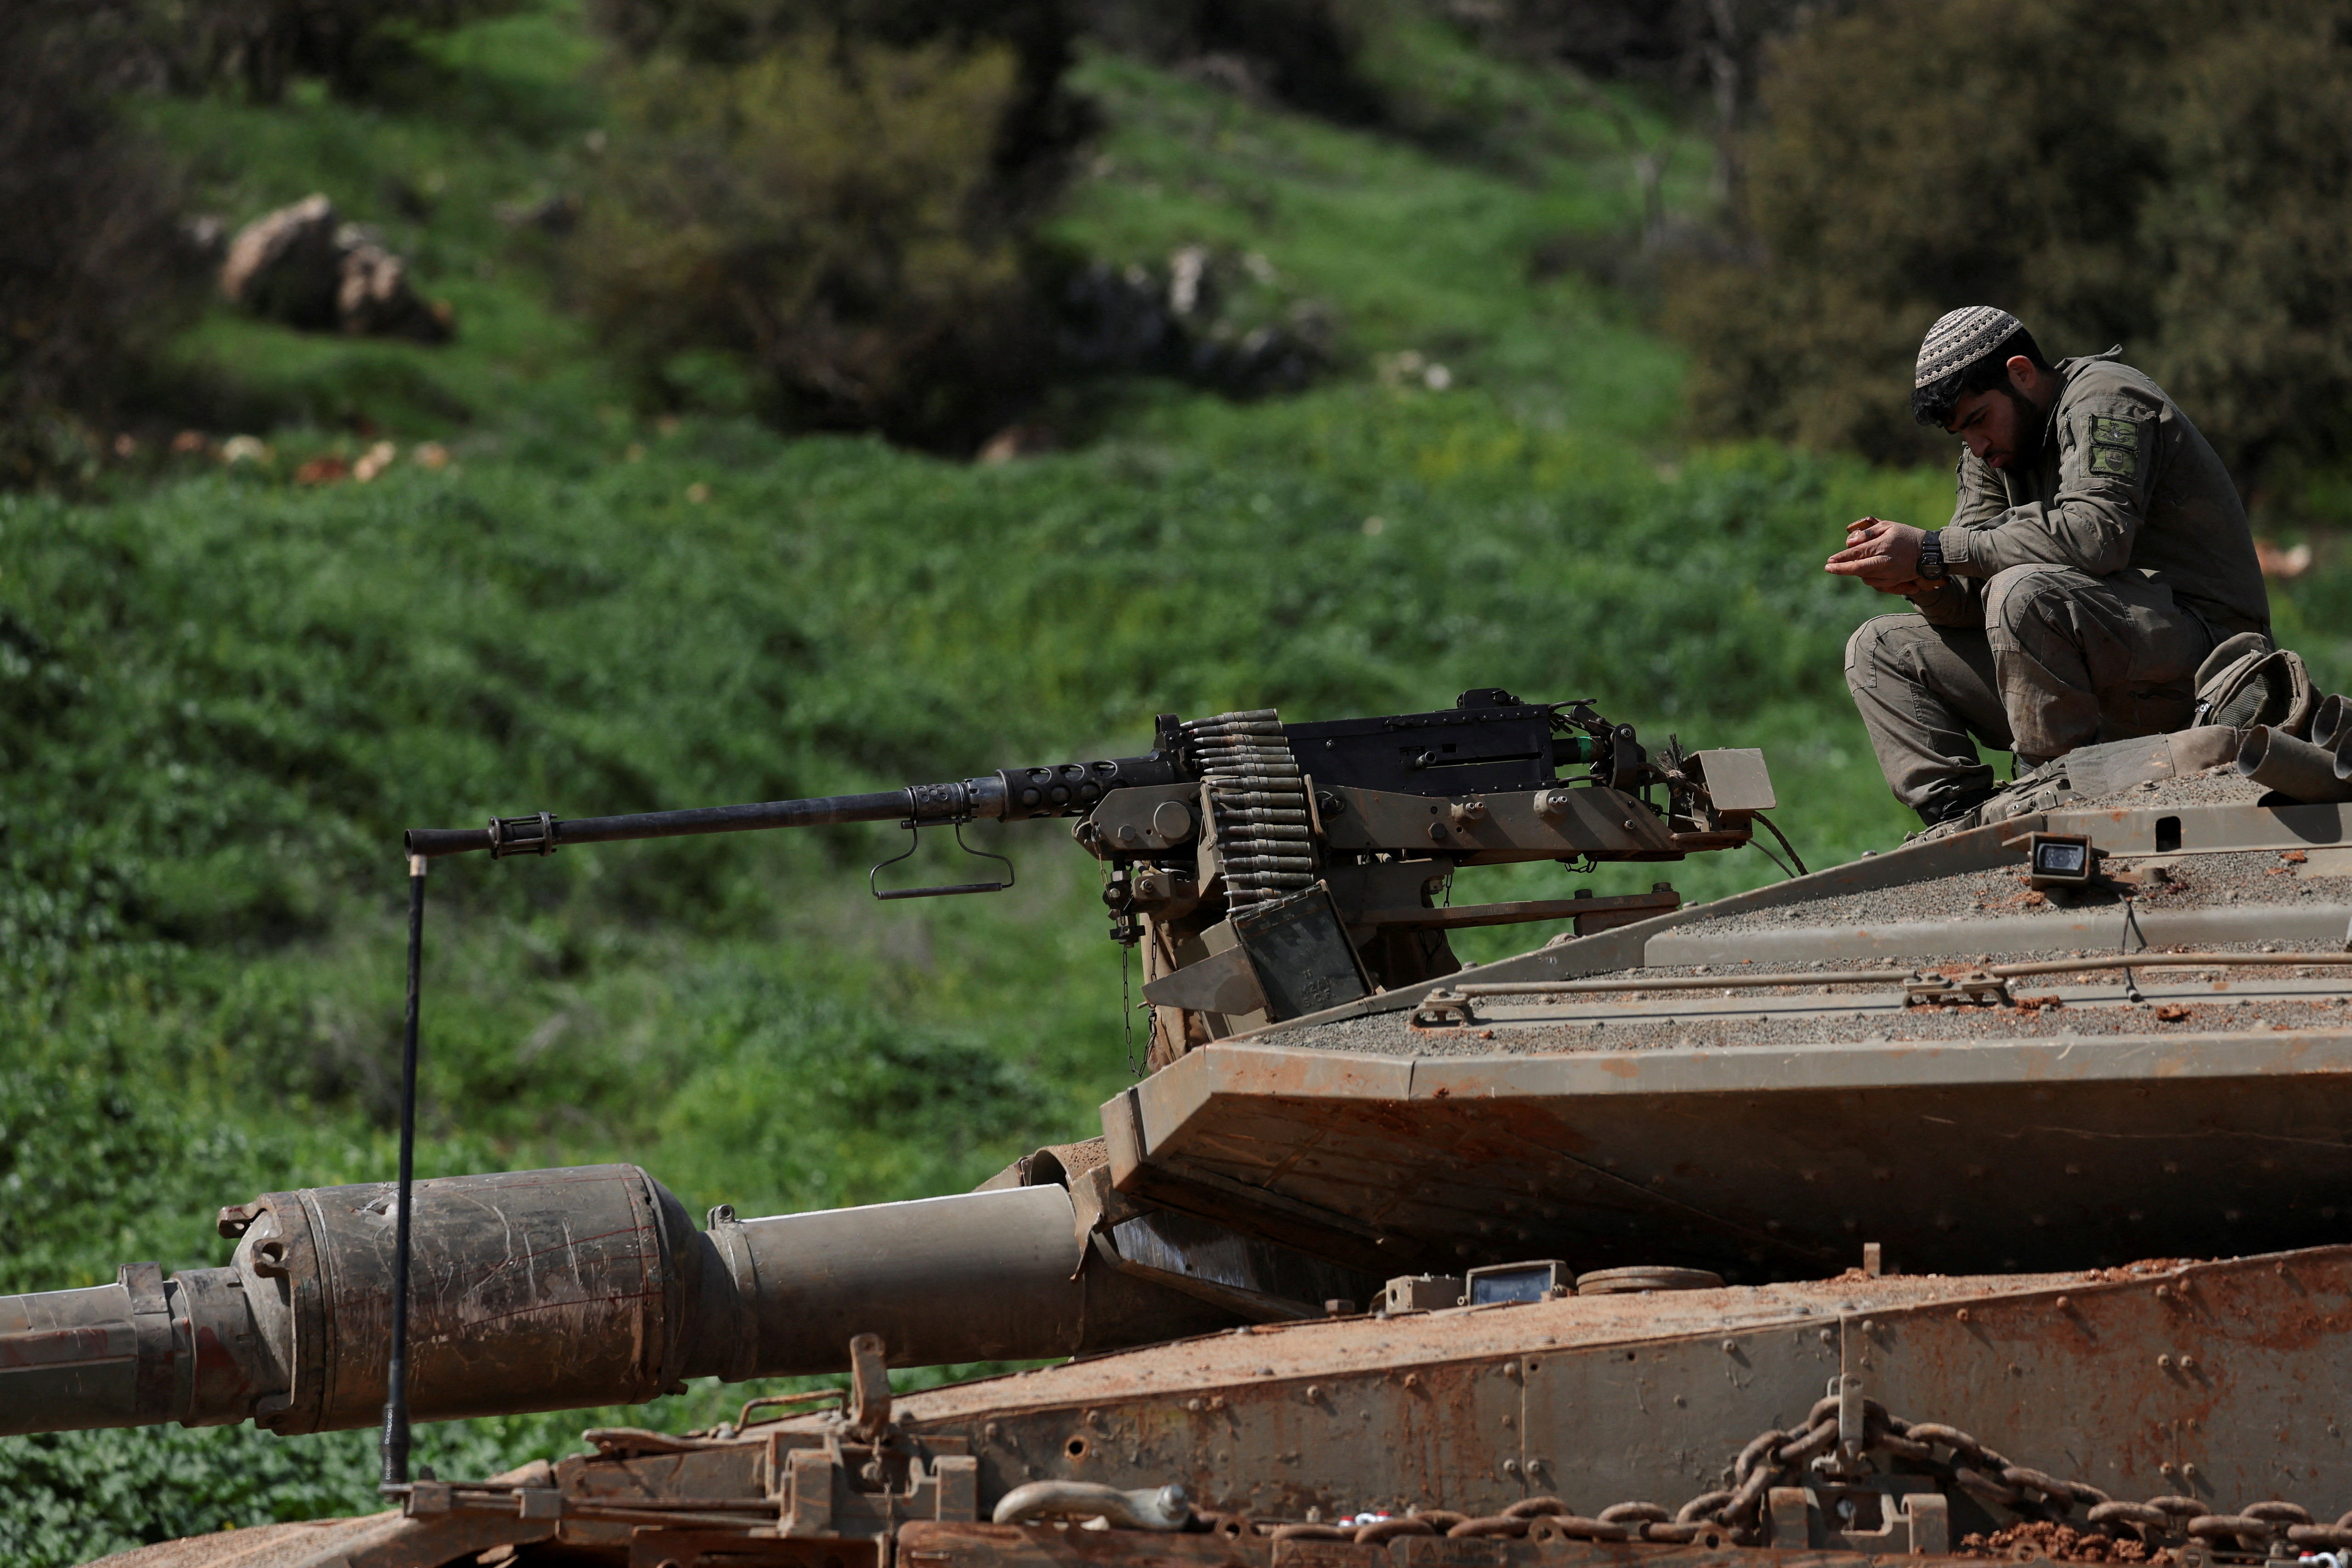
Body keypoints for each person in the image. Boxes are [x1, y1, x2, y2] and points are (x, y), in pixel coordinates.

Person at [1827, 306, 2270, 827]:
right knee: (1878, 649)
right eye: (1961, 433)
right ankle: (1960, 819)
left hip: (2204, 656)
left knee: (2024, 590)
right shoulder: (1990, 454)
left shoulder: (2106, 398)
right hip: (2083, 654)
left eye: (1978, 420)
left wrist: (1931, 549)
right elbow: (1974, 596)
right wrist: (1922, 581)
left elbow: (2097, 536)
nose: (1976, 443)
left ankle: (2048, 797)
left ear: (2021, 373)